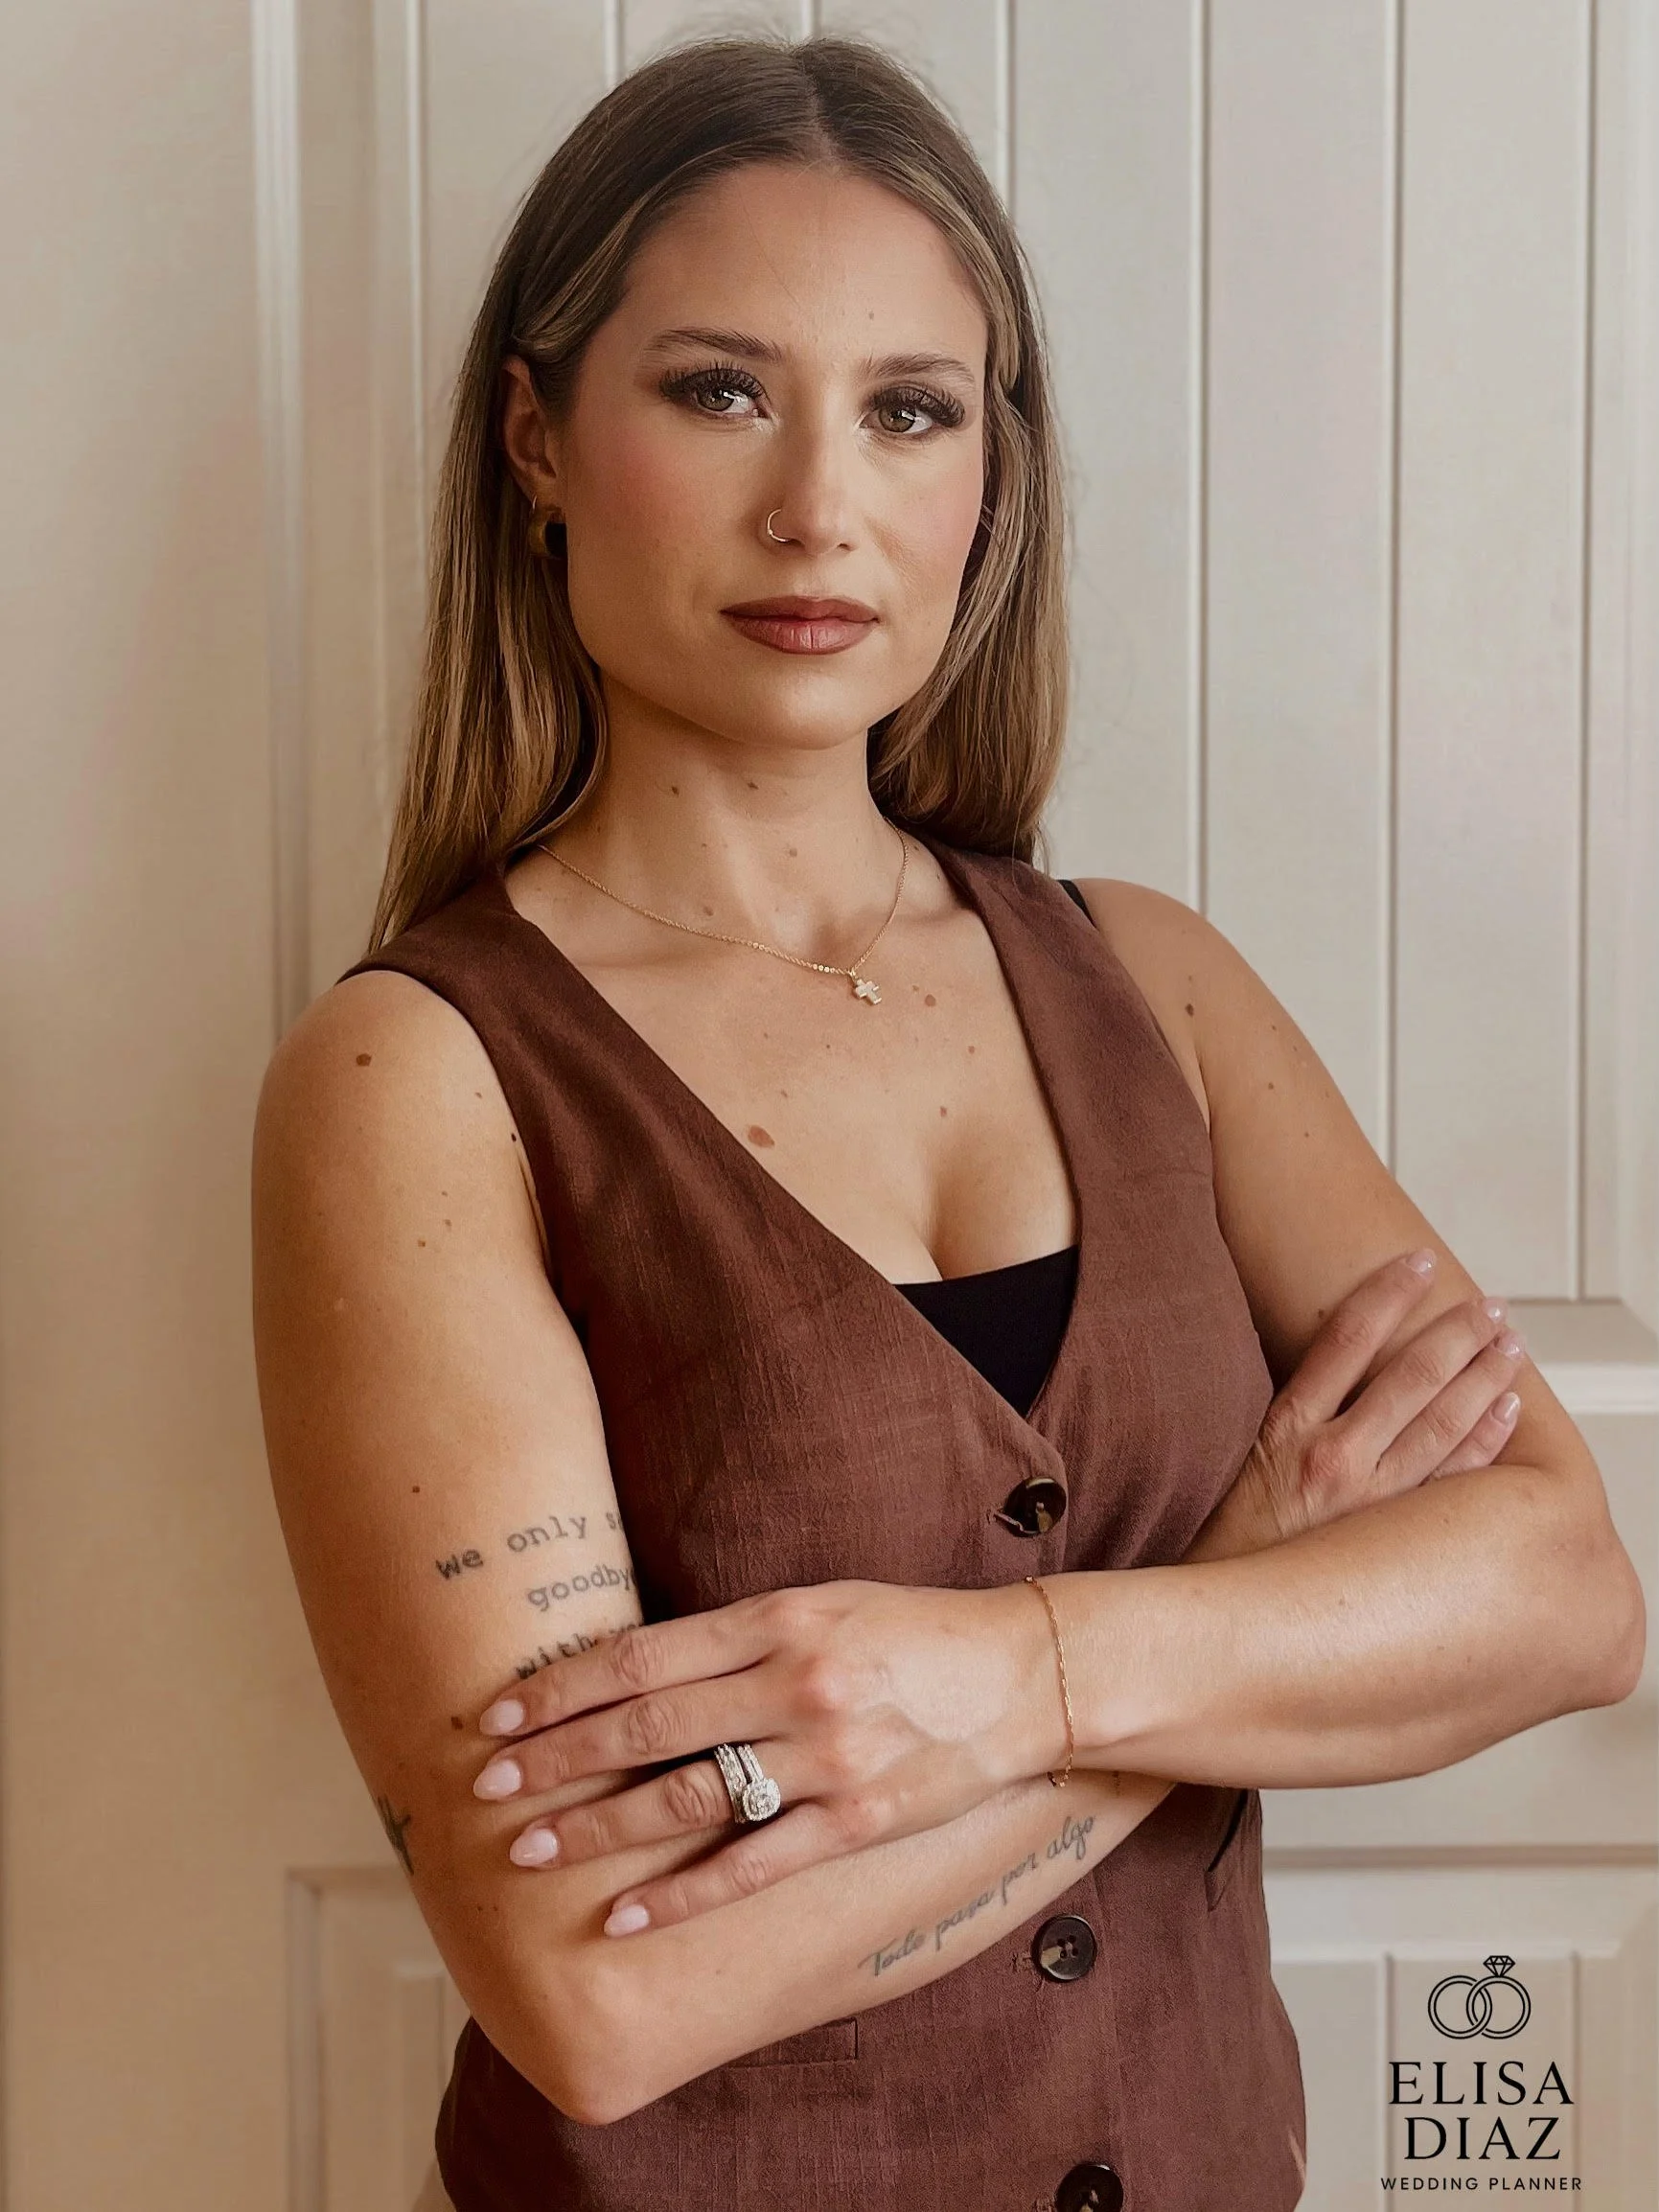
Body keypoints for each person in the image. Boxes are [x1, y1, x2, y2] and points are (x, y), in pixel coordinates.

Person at [249, 34, 1645, 2212]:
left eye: (910, 409)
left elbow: (1561, 1589)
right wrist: (1248, 1603)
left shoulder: (1155, 984)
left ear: (993, 471)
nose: (819, 506)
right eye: (719, 391)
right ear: (535, 437)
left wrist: (1017, 1674)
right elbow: (597, 1992)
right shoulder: (419, 1075)